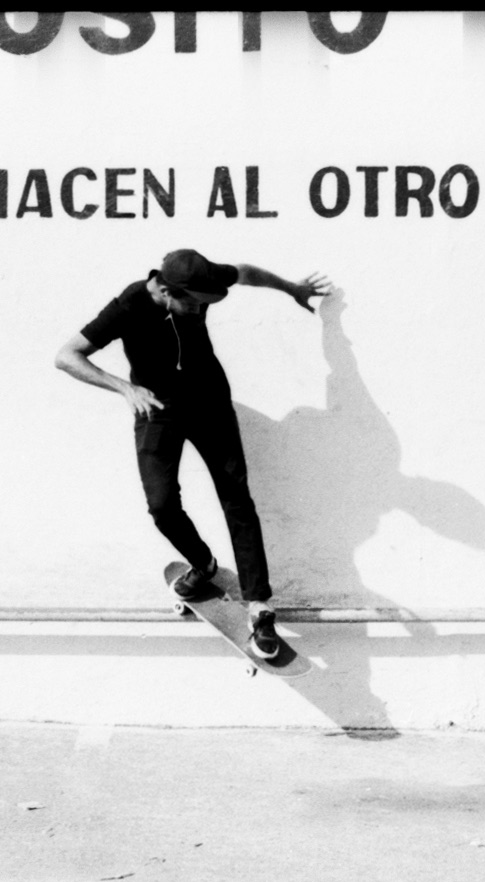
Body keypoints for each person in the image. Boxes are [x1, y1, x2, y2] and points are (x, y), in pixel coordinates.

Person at [54, 249, 331, 660]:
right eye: (192, 304)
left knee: (237, 499)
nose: (199, 310)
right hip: (158, 409)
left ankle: (259, 607)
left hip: (210, 404)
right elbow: (67, 356)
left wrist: (291, 288)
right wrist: (126, 388)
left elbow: (245, 272)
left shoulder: (200, 276)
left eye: (204, 304)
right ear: (165, 291)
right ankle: (202, 565)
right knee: (162, 506)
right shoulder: (128, 305)